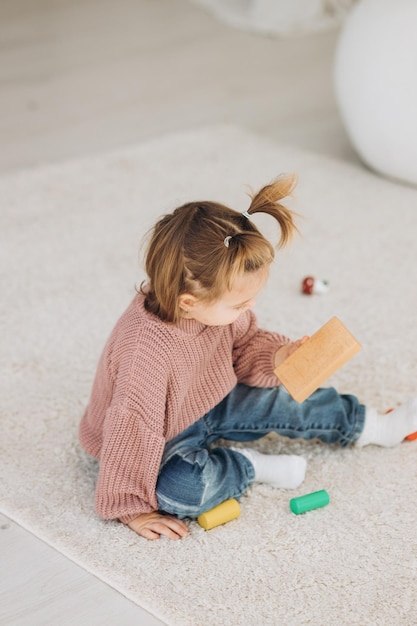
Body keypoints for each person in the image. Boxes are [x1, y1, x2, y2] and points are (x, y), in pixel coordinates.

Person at [79, 174, 417, 541]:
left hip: (209, 400)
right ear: (189, 303)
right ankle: (247, 466)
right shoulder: (146, 354)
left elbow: (244, 347)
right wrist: (131, 508)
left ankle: (369, 425)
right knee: (181, 492)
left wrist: (278, 357)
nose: (250, 307)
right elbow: (133, 429)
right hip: (159, 437)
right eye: (240, 303)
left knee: (284, 395)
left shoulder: (211, 310)